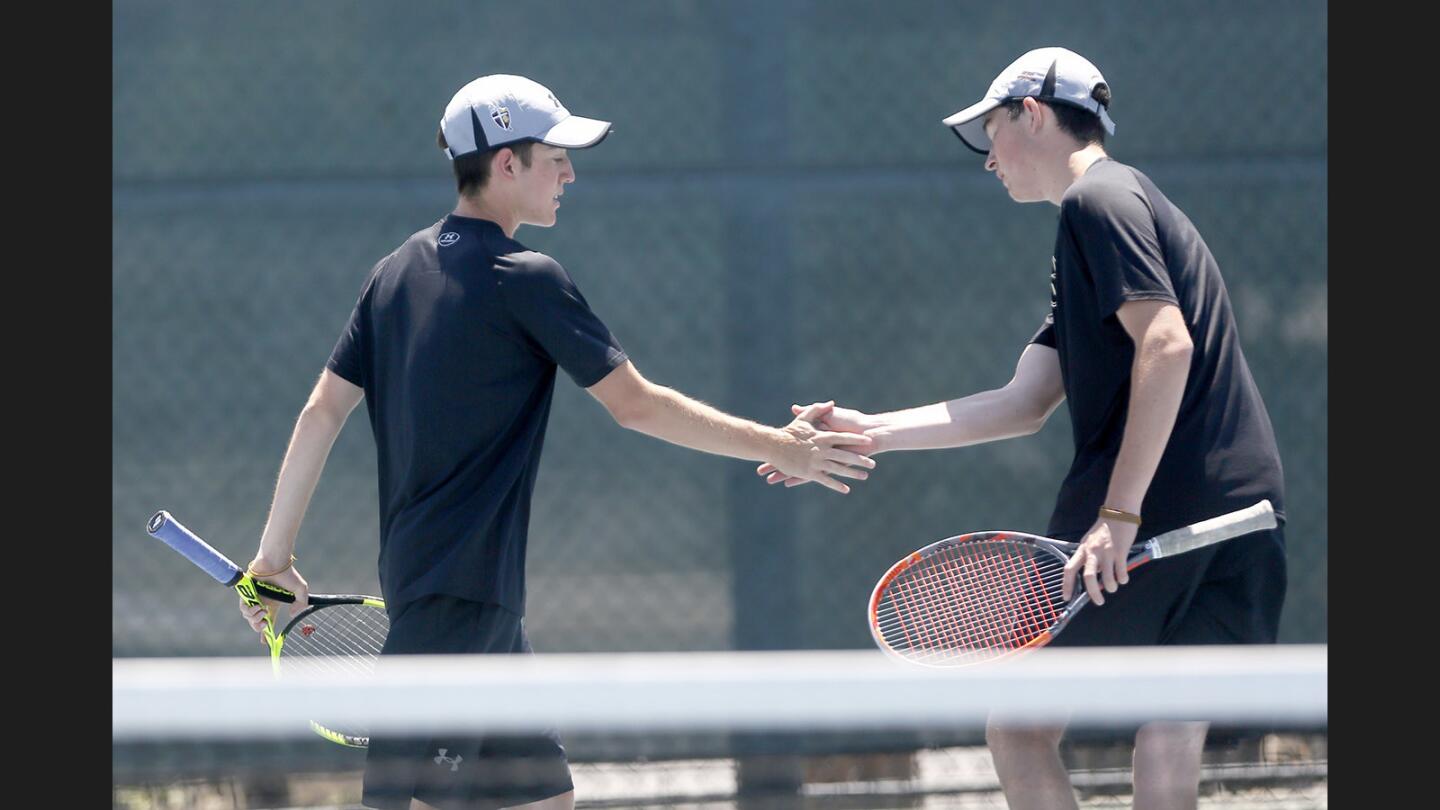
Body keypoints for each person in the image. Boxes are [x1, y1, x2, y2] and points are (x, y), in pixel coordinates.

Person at [235, 73, 875, 810]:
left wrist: (274, 558)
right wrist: (781, 445)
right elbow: (635, 405)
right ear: (507, 163)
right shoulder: (523, 277)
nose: (570, 171)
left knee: (542, 799)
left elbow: (321, 412)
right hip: (454, 604)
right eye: (555, 155)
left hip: (474, 600)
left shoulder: (393, 273)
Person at [758, 47, 1287, 810]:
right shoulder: (1127, 214)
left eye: (990, 133)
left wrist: (1119, 513)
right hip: (1247, 516)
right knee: (1168, 732)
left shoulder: (1095, 204)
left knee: (1018, 727)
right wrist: (869, 429)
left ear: (1032, 115)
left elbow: (1167, 345)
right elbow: (1023, 401)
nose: (987, 160)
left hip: (1156, 518)